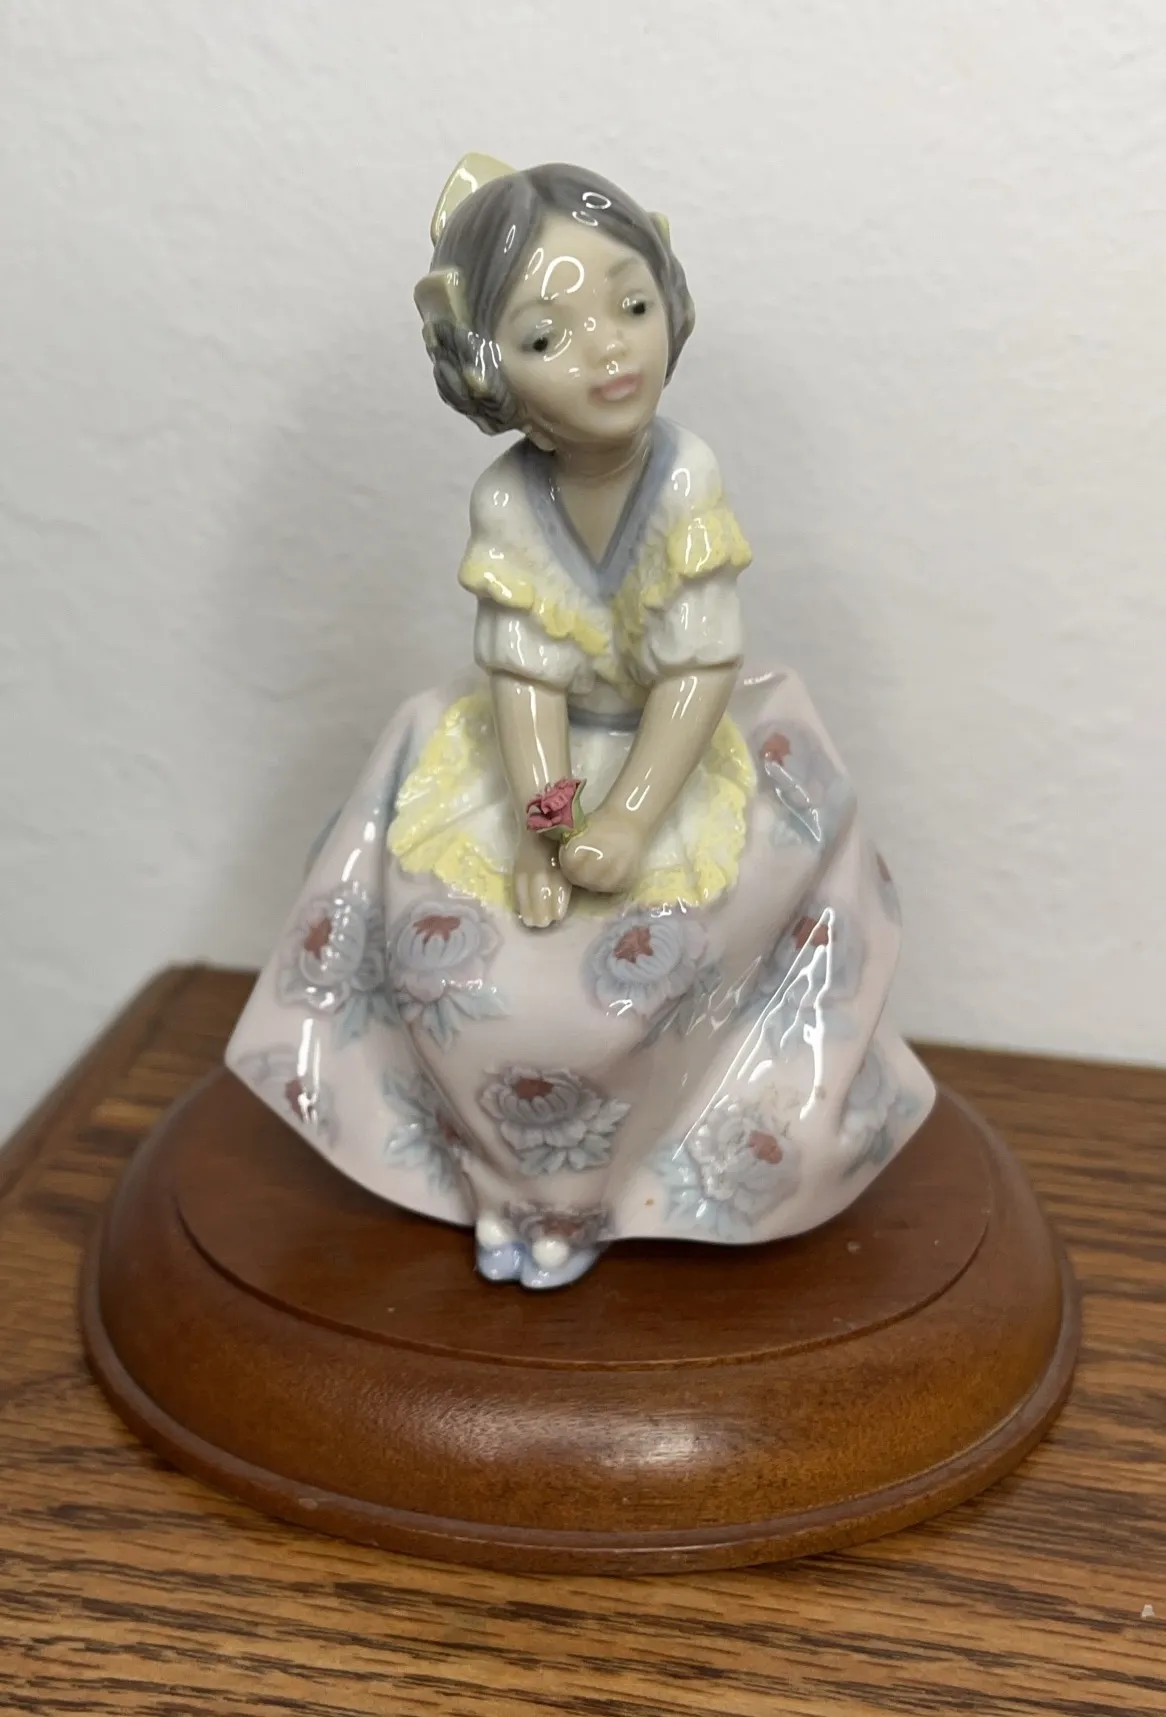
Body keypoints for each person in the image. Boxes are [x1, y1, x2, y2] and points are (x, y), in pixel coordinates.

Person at [227, 155, 934, 1289]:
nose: (609, 350)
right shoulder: (508, 499)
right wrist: (549, 824)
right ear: (487, 370)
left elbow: (696, 672)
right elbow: (525, 682)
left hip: (673, 749)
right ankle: (493, 1182)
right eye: (549, 335)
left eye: (632, 305)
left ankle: (618, 1185)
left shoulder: (684, 476)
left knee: (636, 977)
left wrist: (630, 821)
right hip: (542, 762)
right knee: (444, 939)